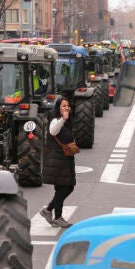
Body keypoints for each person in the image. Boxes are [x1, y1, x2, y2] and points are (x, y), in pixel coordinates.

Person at [40, 97, 76, 228]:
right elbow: (53, 131)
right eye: (63, 106)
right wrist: (63, 119)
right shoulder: (56, 119)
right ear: (58, 108)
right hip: (57, 160)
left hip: (64, 158)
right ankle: (49, 210)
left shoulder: (67, 121)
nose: (66, 108)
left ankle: (57, 217)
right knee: (67, 187)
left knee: (61, 188)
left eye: (67, 106)